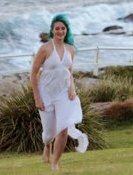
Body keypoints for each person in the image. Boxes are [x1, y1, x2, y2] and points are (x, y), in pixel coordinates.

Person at [30, 14, 89, 171]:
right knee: (49, 133)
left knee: (63, 128)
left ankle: (55, 163)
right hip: (46, 94)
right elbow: (33, 73)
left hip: (63, 93)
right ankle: (47, 145)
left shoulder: (70, 49)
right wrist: (37, 97)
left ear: (66, 30)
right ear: (52, 30)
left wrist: (72, 88)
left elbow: (68, 71)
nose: (60, 31)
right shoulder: (45, 49)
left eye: (63, 28)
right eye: (57, 28)